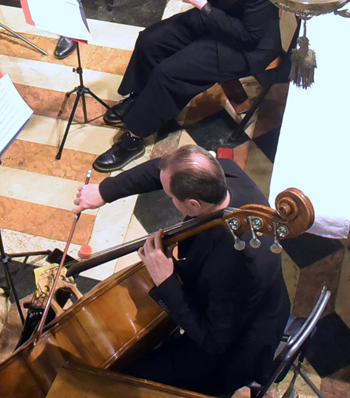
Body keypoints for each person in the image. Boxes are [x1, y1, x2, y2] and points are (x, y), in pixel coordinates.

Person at [72, 144, 290, 396]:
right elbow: (163, 170)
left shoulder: (235, 264)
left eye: (171, 197)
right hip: (229, 299)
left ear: (194, 204)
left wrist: (166, 281)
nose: (169, 199)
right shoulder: (226, 174)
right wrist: (103, 191)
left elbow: (214, 341)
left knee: (125, 375)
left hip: (234, 349)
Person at [91, 0, 280, 172]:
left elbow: (248, 36)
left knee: (170, 73)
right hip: (220, 14)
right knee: (151, 39)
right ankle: (141, 96)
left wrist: (204, 7)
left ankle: (134, 138)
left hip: (245, 47)